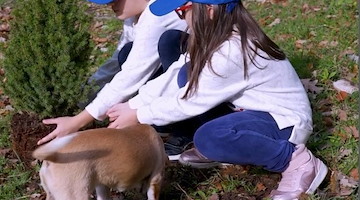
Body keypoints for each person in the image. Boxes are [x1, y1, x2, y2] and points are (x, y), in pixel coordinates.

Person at [104, 0, 329, 198]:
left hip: (283, 123)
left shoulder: (232, 50)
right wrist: (132, 104)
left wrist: (138, 115)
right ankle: (224, 144)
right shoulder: (214, 38)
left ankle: (296, 162)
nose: (180, 17)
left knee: (209, 138)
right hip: (248, 111)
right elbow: (173, 78)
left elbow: (189, 101)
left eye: (182, 10)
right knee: (185, 73)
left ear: (209, 10)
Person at [37, 0, 190, 159]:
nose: (110, 6)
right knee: (126, 52)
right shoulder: (133, 18)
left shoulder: (158, 16)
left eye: (116, 0)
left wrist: (79, 120)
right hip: (173, 74)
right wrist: (83, 97)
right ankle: (164, 121)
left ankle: (186, 128)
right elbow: (116, 63)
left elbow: (133, 73)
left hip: (197, 80)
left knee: (169, 42)